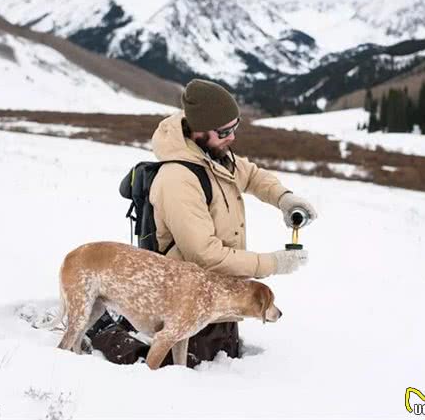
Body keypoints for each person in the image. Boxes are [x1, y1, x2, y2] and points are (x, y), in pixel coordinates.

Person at [89, 79, 317, 367]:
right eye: (225, 131)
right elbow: (204, 255)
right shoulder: (177, 179)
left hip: (220, 299)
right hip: (184, 302)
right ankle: (101, 331)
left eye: (236, 128)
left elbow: (251, 175)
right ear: (199, 129)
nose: (232, 137)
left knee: (221, 357)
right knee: (155, 362)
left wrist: (285, 199)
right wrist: (274, 263)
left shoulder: (215, 154)